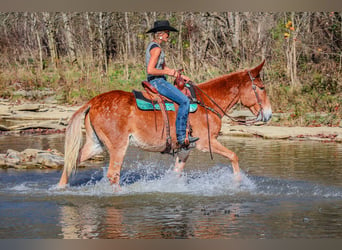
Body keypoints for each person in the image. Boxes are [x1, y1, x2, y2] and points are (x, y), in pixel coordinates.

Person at [145, 20, 199, 147]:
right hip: (157, 81)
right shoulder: (156, 49)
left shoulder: (154, 46)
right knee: (185, 101)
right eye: (167, 33)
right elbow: (150, 70)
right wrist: (168, 73)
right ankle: (181, 136)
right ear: (160, 34)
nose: (168, 35)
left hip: (160, 79)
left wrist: (179, 75)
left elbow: (163, 67)